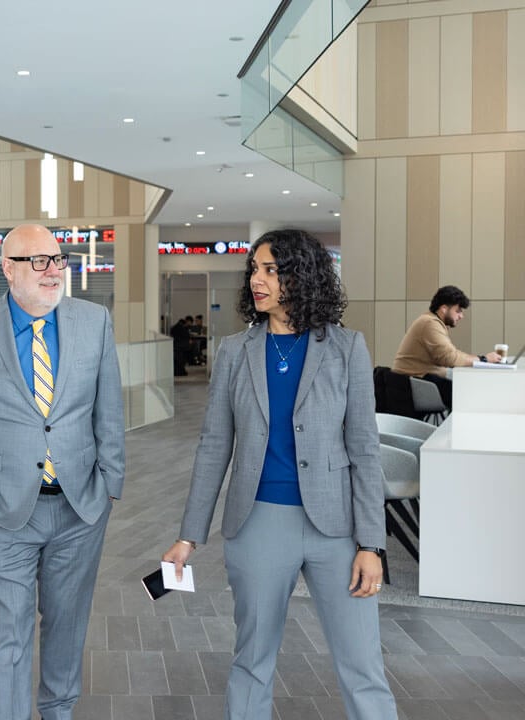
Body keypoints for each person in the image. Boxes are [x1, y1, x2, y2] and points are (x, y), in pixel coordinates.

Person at [162, 228, 397, 720]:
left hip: (337, 530)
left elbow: (364, 450)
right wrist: (189, 535)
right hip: (258, 524)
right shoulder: (234, 351)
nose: (257, 280)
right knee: (252, 661)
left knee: (362, 664)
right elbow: (213, 447)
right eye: (255, 269)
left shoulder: (347, 348)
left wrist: (372, 545)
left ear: (303, 275)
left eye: (271, 269)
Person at [0, 223, 125, 720]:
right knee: (8, 632)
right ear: (8, 270)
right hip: (1, 508)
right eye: (38, 261)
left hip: (80, 507)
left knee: (66, 626)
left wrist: (110, 485)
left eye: (57, 260)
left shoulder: (94, 321)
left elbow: (109, 411)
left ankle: (58, 712)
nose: (52, 270)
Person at [392, 285, 502, 408]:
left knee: (467, 388)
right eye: (458, 311)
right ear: (444, 309)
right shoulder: (430, 323)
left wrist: (480, 359)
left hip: (419, 379)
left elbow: (452, 354)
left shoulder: (431, 321)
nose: (461, 316)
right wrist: (484, 359)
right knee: (470, 395)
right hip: (414, 383)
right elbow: (449, 358)